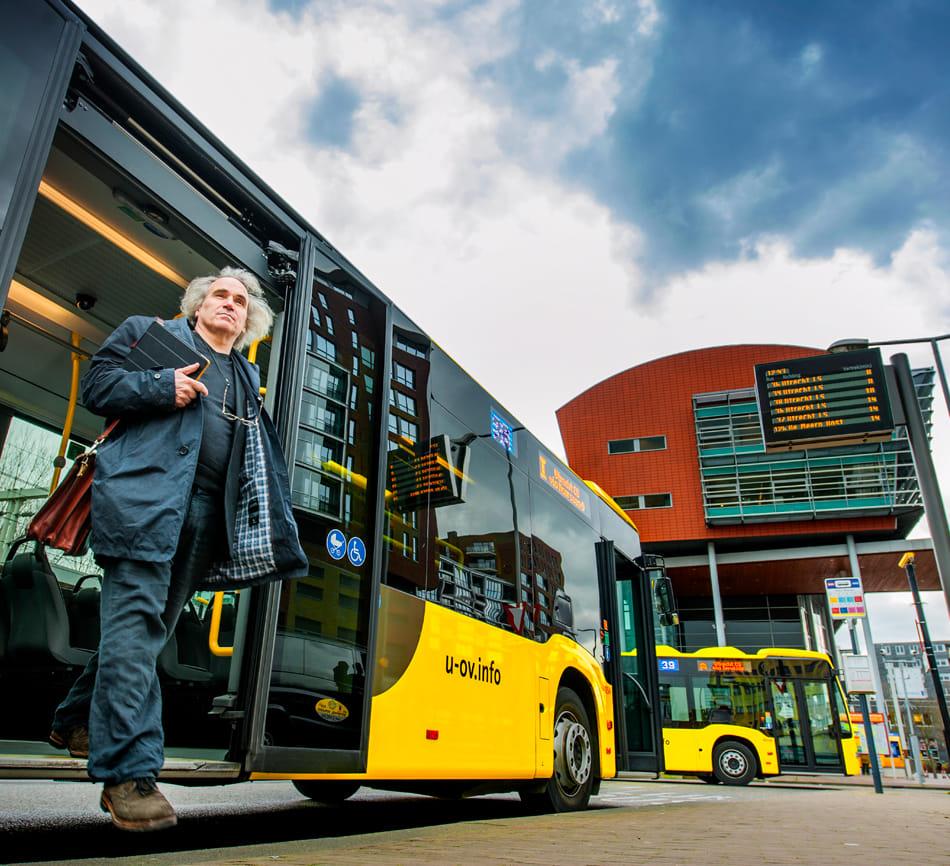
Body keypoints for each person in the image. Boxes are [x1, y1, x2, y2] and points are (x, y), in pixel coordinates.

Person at [47, 267, 307, 832]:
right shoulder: (152, 333)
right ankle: (129, 774)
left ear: (249, 321)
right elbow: (98, 387)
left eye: (241, 301)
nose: (230, 304)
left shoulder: (246, 375)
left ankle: (75, 721)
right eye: (220, 295)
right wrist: (160, 387)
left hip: (205, 521)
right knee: (138, 629)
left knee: (149, 632)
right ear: (198, 304)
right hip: (143, 505)